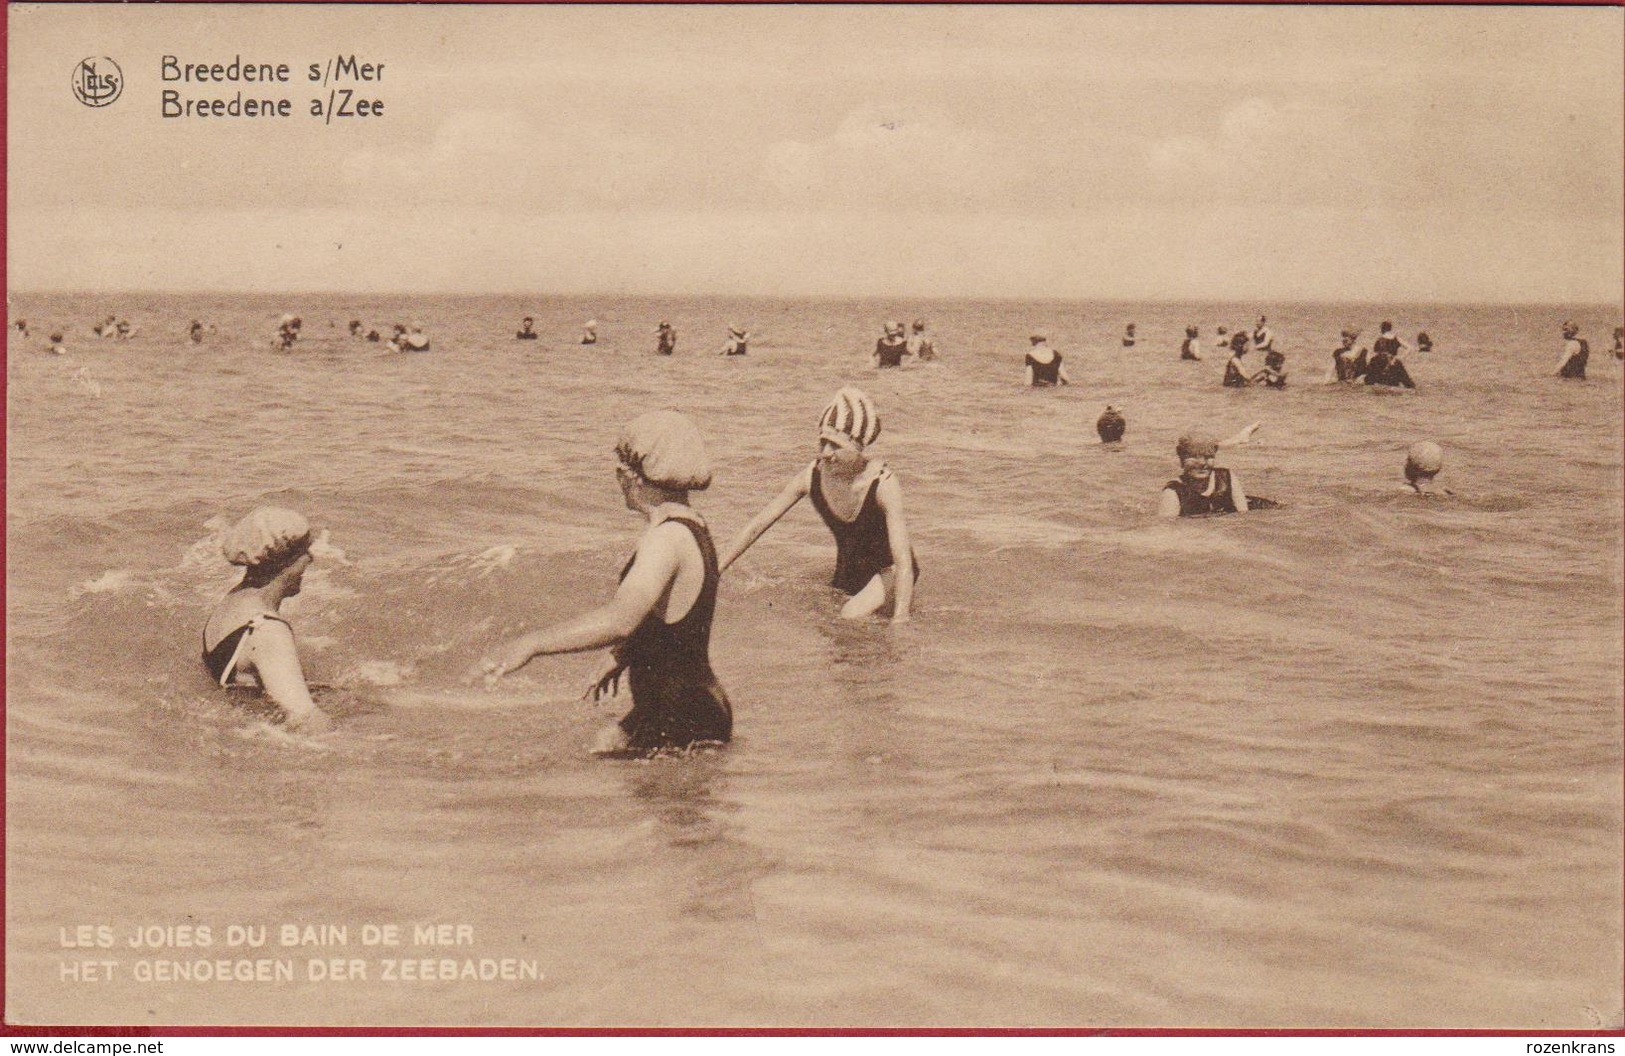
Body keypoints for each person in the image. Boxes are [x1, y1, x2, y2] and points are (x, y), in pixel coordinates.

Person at [473, 411, 730, 756]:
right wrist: (623, 655)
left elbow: (621, 619)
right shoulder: (692, 525)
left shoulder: (666, 538)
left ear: (632, 477)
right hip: (693, 704)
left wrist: (531, 643)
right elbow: (671, 619)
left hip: (678, 717)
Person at [721, 387, 916, 623]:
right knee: (823, 619)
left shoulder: (883, 483)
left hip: (891, 570)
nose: (825, 453)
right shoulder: (812, 475)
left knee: (849, 616)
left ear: (857, 448)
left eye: (835, 445)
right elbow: (760, 522)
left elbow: (903, 559)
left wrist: (901, 618)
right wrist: (716, 569)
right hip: (850, 572)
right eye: (822, 442)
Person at [202, 507, 329, 732]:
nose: (310, 559)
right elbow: (306, 721)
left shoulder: (233, 600)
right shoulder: (267, 631)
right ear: (282, 562)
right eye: (305, 552)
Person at [1157, 423, 1268, 518]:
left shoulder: (1226, 477)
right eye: (1194, 456)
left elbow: (1244, 517)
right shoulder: (1174, 492)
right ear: (1181, 457)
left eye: (1208, 456)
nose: (1202, 463)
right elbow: (1167, 531)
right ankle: (1240, 438)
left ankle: (1241, 439)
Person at [1364, 322, 1415, 388]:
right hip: (1392, 361)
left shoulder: (1379, 339)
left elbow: (1374, 352)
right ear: (1390, 329)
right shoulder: (1396, 338)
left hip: (1378, 361)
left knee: (1369, 381)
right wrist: (1401, 357)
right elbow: (1410, 348)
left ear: (1382, 329)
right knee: (1408, 383)